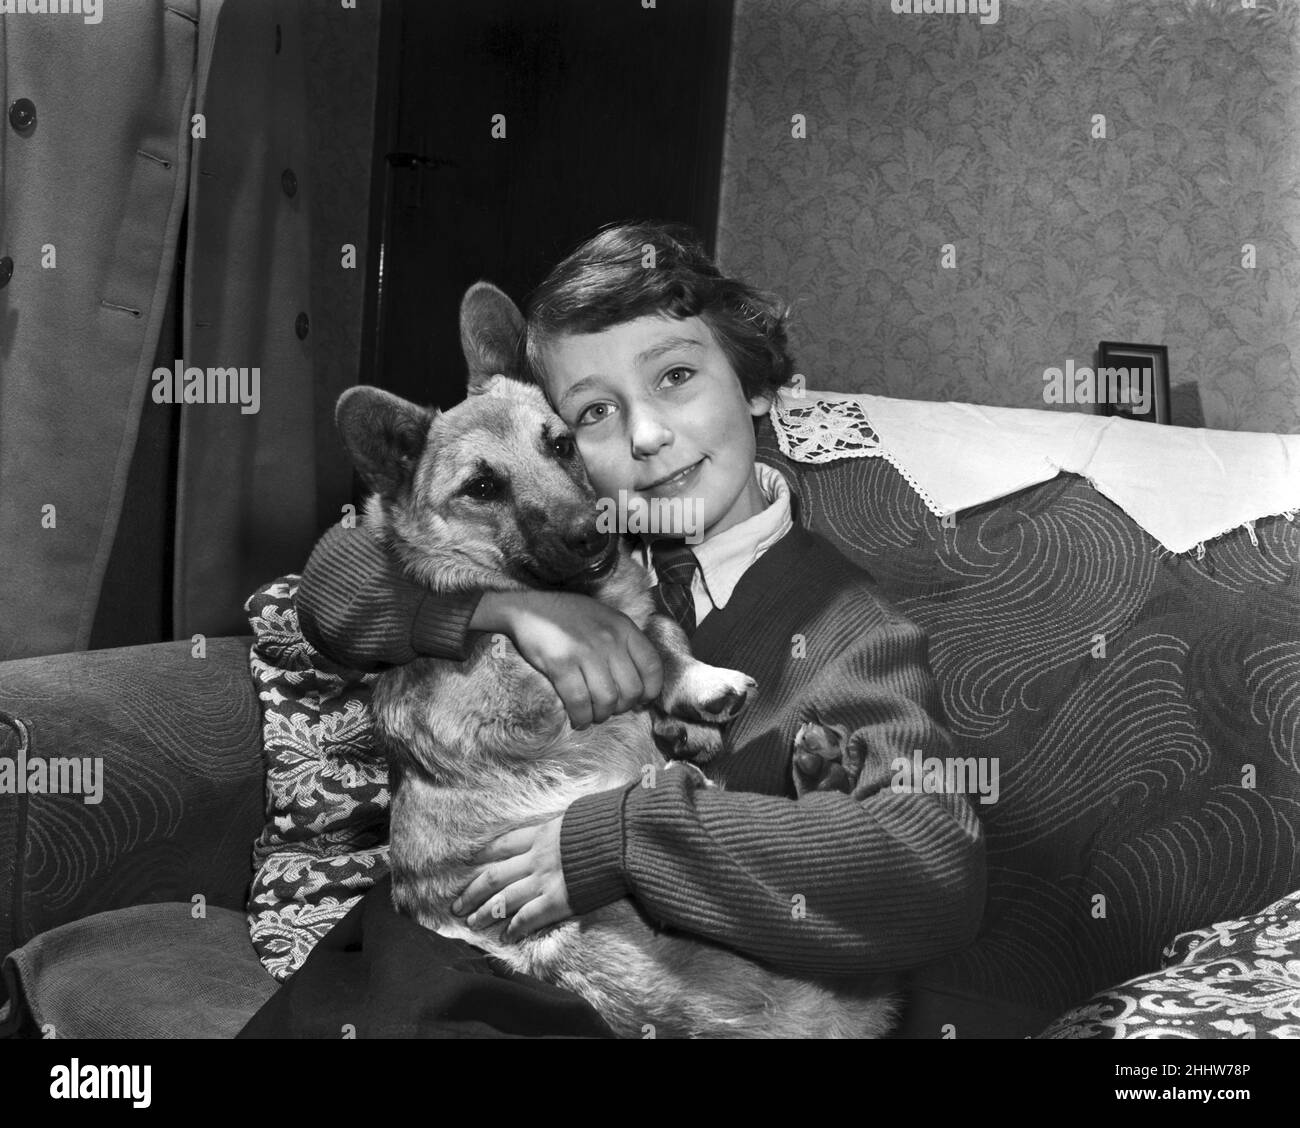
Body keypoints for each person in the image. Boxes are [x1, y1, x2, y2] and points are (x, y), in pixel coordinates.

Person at [240, 221, 985, 1037]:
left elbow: (934, 867)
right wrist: (506, 610)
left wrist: (616, 842)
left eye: (677, 376)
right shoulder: (591, 547)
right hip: (467, 955)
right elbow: (332, 587)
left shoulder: (853, 633)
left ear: (756, 385)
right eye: (595, 411)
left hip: (648, 980)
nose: (646, 435)